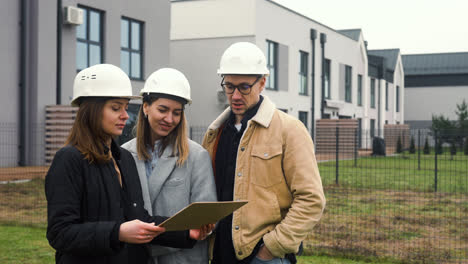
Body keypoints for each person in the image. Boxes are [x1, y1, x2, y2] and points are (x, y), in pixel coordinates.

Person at [45, 64, 212, 264]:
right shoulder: (69, 160)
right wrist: (118, 233)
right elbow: (60, 233)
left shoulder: (124, 159)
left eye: (125, 107)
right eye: (116, 108)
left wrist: (186, 232)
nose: (125, 115)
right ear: (91, 110)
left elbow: (141, 219)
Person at [202, 42, 326, 264]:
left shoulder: (289, 130)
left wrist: (271, 248)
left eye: (244, 87)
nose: (235, 95)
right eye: (229, 86)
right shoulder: (215, 133)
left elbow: (312, 199)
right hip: (220, 254)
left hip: (264, 258)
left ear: (262, 83)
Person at [122, 68, 217, 264]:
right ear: (146, 107)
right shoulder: (124, 154)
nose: (169, 119)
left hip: (182, 258)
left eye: (177, 113)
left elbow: (207, 219)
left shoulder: (196, 156)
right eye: (163, 110)